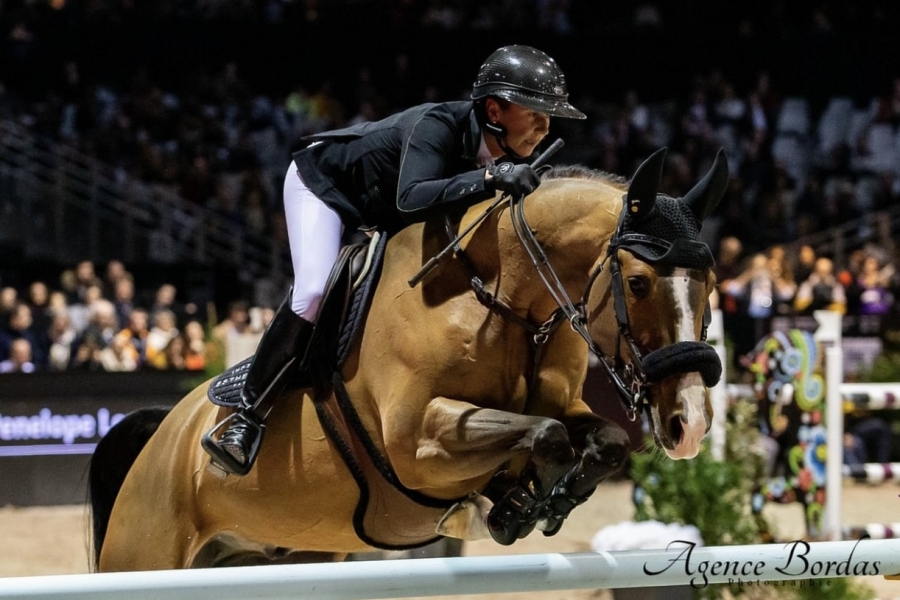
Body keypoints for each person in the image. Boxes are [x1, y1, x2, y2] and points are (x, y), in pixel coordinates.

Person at [203, 44, 587, 475]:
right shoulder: (436, 126)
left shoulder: (508, 152)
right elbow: (412, 197)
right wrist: (490, 177)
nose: (544, 126)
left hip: (384, 211)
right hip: (327, 188)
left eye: (548, 116)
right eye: (534, 113)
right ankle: (247, 417)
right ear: (494, 110)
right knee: (313, 291)